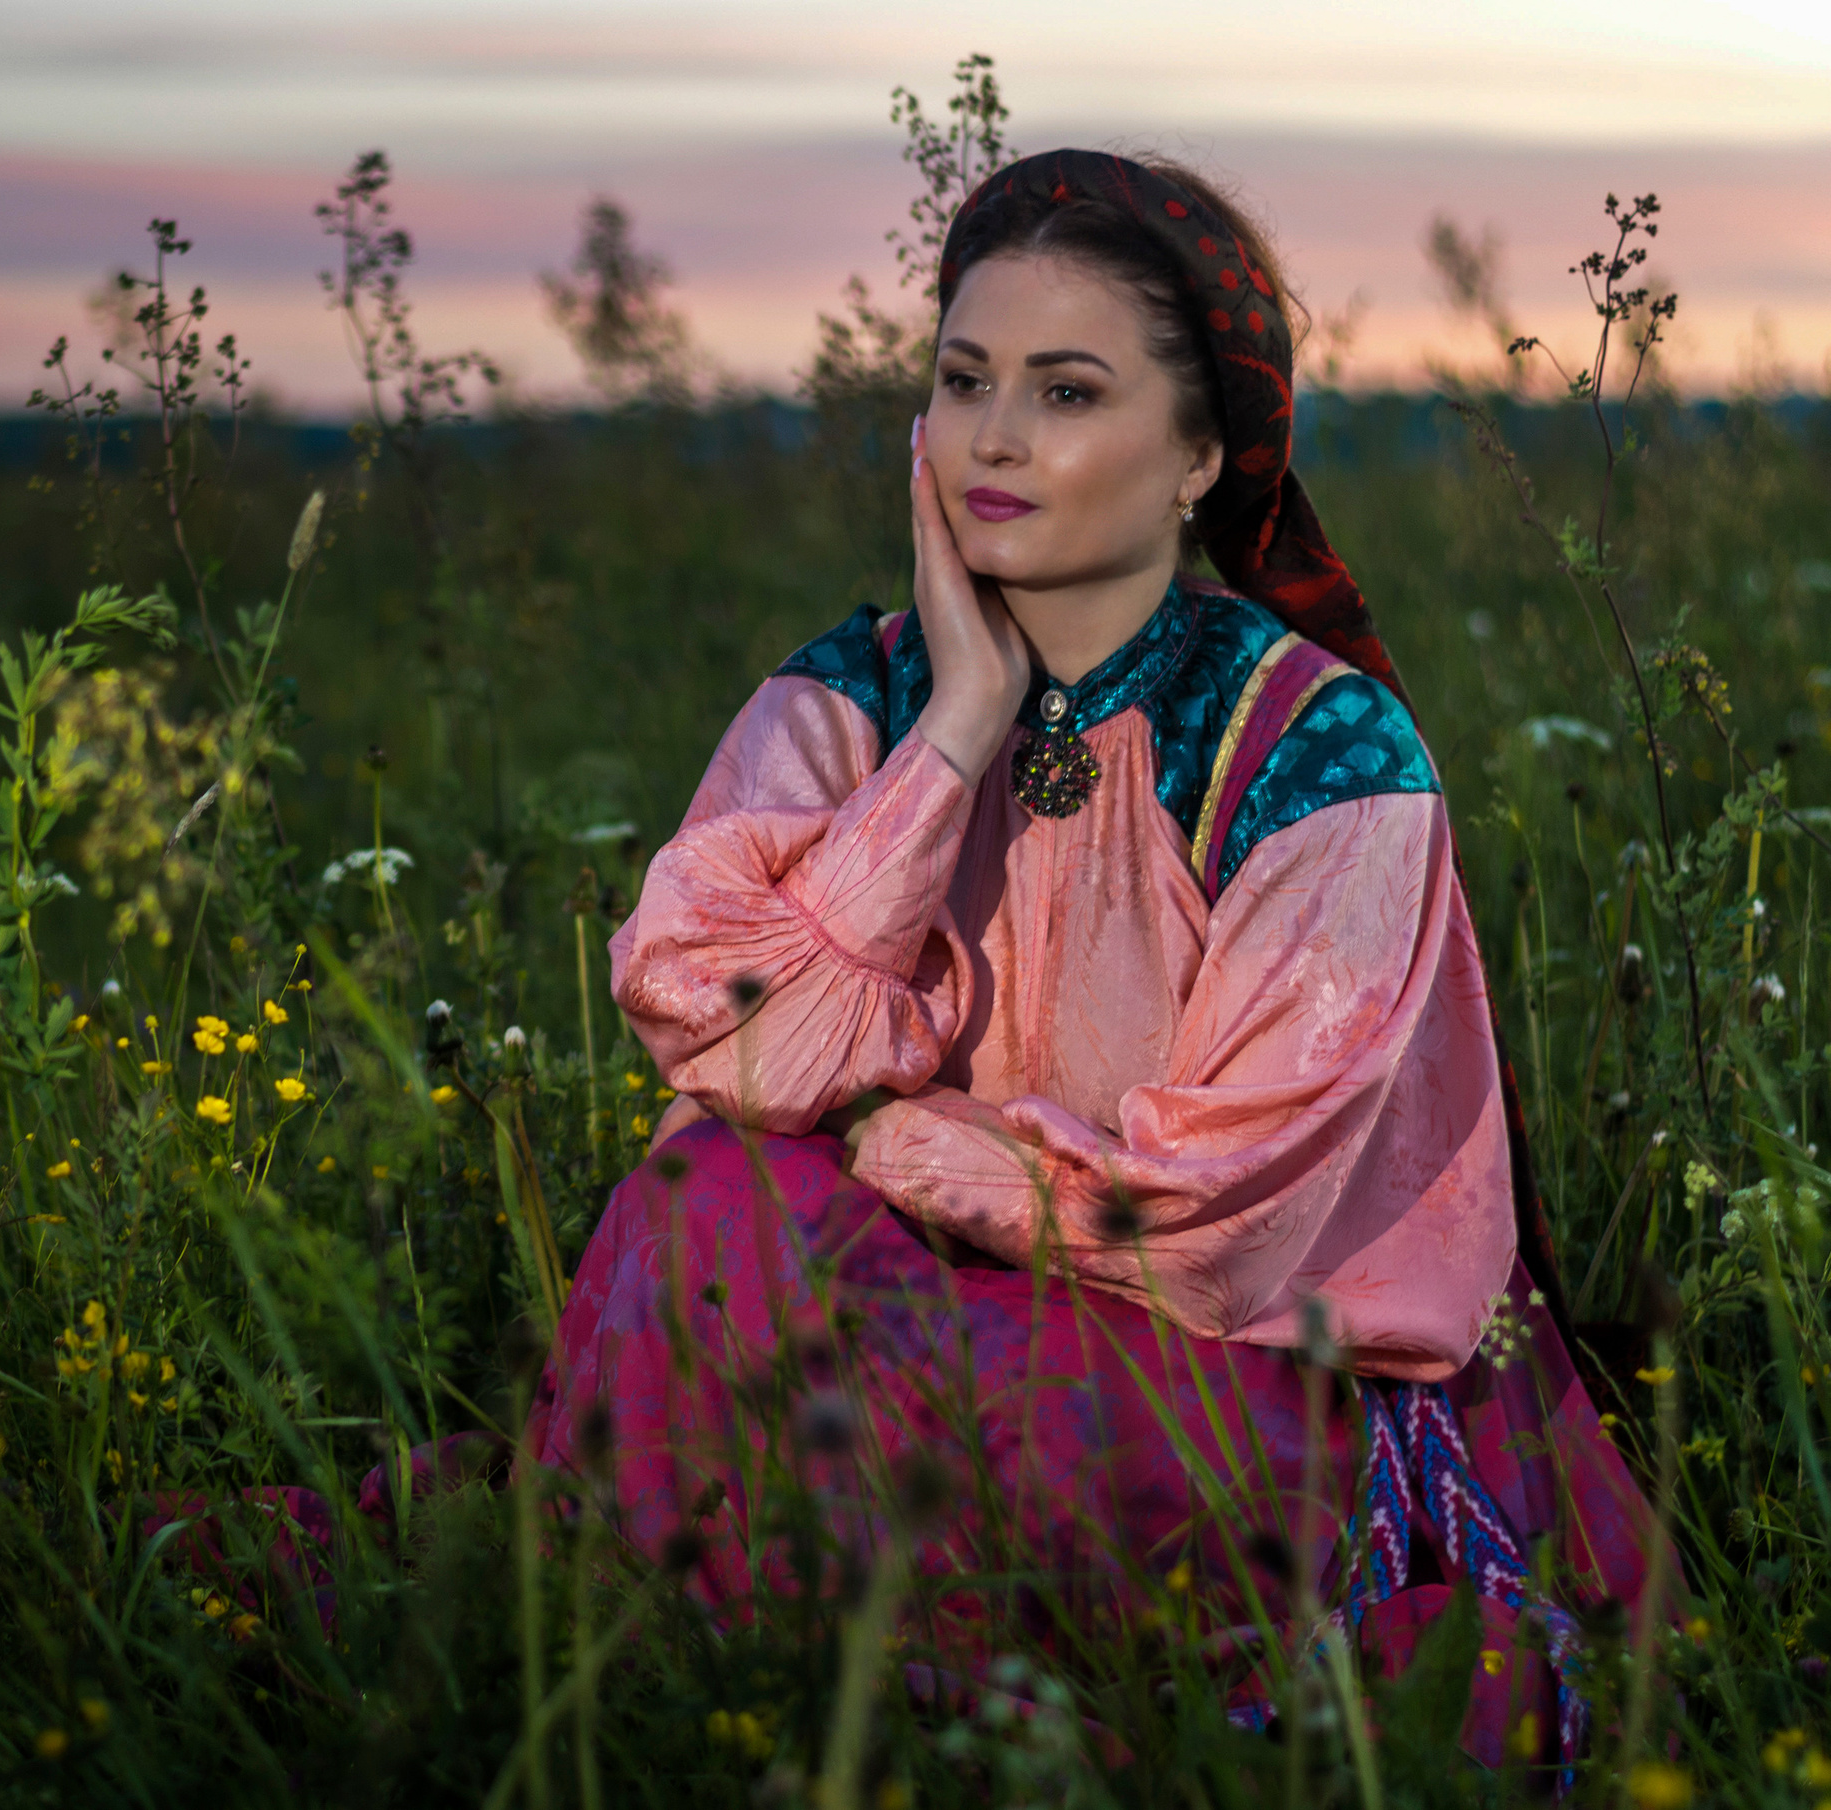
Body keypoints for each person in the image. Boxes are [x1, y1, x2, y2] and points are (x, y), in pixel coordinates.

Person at [523, 150, 1659, 1770]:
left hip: (1218, 1365)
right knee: (703, 1197)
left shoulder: (1321, 751)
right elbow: (732, 1043)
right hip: (910, 1307)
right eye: (963, 378)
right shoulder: (852, 697)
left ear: (1201, 452)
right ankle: (800, 1689)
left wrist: (890, 1141)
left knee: (875, 1320)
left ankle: (912, 1695)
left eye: (1066, 391)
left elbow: (1219, 1219)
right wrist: (959, 728)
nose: (993, 437)